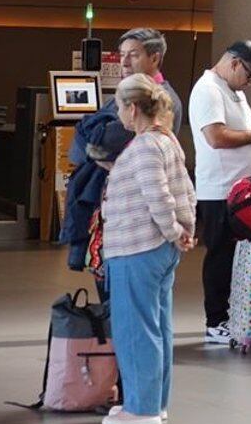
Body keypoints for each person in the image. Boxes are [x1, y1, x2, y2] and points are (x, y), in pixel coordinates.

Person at [99, 73, 196, 424]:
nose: (119, 116)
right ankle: (156, 402)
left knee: (135, 328)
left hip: (136, 247)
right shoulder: (168, 140)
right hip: (161, 250)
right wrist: (184, 232)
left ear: (133, 107)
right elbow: (186, 191)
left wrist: (172, 230)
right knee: (158, 326)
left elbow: (158, 196)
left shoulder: (142, 147)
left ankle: (141, 409)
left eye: (120, 107)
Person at [64, 28, 181, 285]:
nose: (125, 62)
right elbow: (79, 144)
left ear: (155, 58)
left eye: (134, 55)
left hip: (136, 222)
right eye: (122, 55)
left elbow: (111, 140)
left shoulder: (164, 99)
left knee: (126, 300)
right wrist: (96, 149)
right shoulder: (123, 95)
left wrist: (97, 146)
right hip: (108, 211)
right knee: (109, 289)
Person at [189, 42, 251, 344]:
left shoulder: (234, 92)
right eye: (250, 73)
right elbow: (215, 137)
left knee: (236, 256)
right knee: (220, 255)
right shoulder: (208, 90)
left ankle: (232, 315)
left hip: (242, 191)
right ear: (233, 63)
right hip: (220, 190)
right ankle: (216, 321)